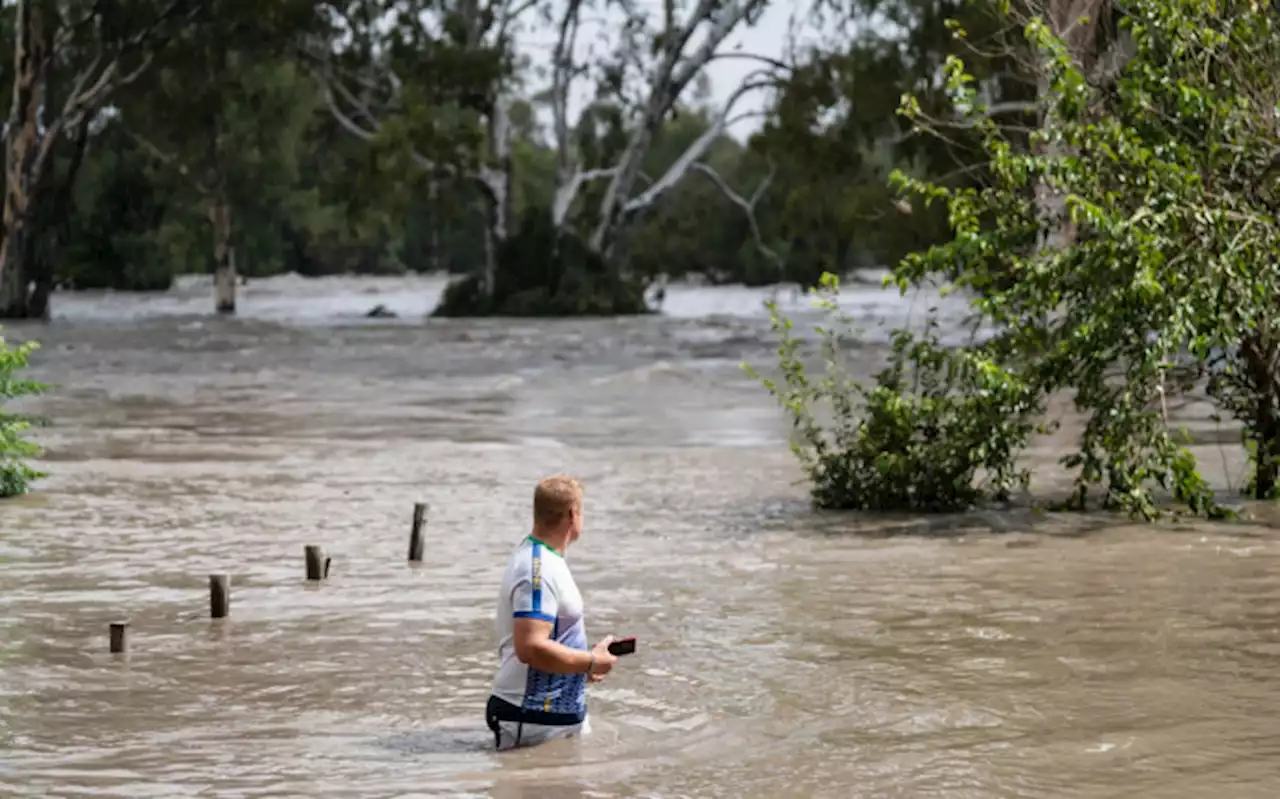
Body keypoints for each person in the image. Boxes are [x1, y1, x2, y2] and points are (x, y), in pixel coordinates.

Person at [485, 474, 620, 750]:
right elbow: (531, 648)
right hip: (531, 718)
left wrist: (585, 663)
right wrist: (590, 661)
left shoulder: (546, 560)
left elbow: (549, 639)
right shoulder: (538, 570)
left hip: (551, 719)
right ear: (573, 515)